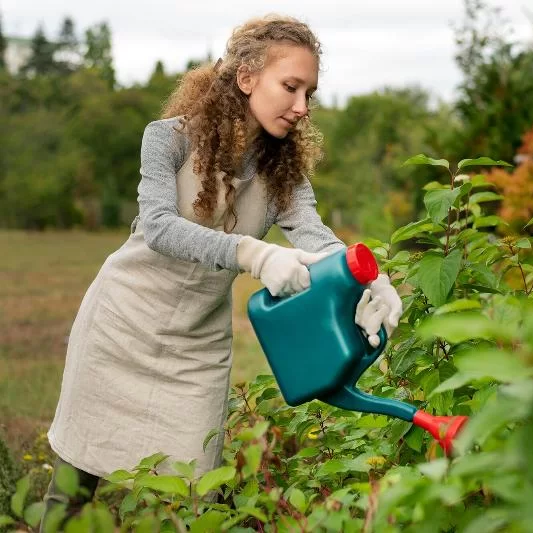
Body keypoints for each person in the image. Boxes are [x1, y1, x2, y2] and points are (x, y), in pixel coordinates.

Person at [39, 14, 402, 529]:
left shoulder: (284, 172)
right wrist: (253, 254)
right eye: (291, 87)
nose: (302, 107)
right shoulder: (167, 139)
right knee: (74, 483)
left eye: (310, 94)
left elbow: (317, 238)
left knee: (195, 496)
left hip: (197, 347)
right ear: (246, 77)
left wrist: (372, 280)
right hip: (121, 323)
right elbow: (161, 228)